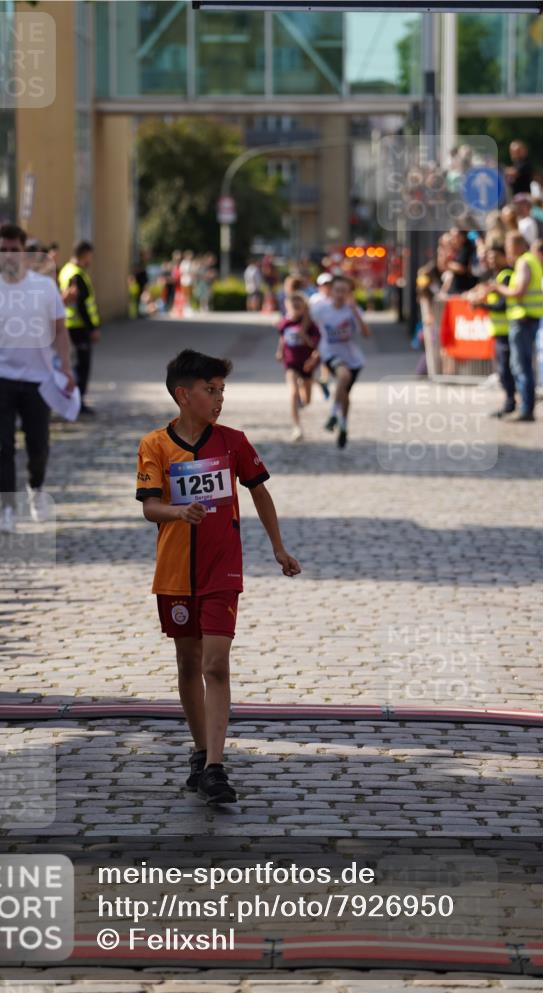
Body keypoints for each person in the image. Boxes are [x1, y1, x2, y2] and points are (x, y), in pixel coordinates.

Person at [135, 349, 300, 805]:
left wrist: (278, 547)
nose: (219, 398)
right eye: (211, 390)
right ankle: (201, 751)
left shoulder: (233, 442)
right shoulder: (154, 445)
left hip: (222, 569)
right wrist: (176, 511)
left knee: (215, 663)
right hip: (173, 572)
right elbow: (150, 507)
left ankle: (216, 766)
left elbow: (260, 492)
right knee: (188, 665)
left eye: (222, 390)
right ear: (183, 395)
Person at [0, 223, 75, 532]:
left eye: (15, 250)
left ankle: (35, 489)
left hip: (39, 380)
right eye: (4, 250)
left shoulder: (44, 287)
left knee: (38, 447)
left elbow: (60, 331)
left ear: (24, 252)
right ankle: (7, 511)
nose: (10, 256)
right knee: (4, 447)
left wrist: (65, 368)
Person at [489, 232, 543, 423]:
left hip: (523, 320)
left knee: (521, 367)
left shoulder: (524, 262)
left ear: (518, 245)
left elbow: (519, 292)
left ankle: (526, 409)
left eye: (509, 247)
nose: (507, 251)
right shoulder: (530, 260)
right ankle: (524, 408)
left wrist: (498, 289)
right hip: (527, 319)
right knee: (521, 365)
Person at [311, 275, 371, 449]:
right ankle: (332, 416)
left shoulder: (353, 310)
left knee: (344, 393)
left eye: (344, 291)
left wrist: (354, 313)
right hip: (329, 353)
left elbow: (367, 334)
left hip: (353, 358)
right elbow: (307, 321)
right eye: (337, 290)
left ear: (349, 293)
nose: (339, 294)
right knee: (343, 377)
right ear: (331, 291)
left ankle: (343, 425)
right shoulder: (321, 309)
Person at [468, 245, 515, 418]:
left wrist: (481, 305)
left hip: (507, 330)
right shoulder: (496, 276)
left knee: (507, 370)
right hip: (500, 330)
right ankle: (509, 403)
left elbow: (502, 305)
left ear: (504, 256)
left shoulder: (506, 276)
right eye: (489, 257)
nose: (491, 260)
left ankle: (511, 404)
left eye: (495, 257)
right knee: (504, 371)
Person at [58, 240, 101, 415]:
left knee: (75, 365)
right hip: (79, 327)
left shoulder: (66, 270)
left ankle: (74, 401)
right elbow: (82, 305)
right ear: (84, 255)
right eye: (90, 256)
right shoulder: (77, 275)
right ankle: (77, 402)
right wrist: (93, 328)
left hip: (70, 325)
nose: (91, 260)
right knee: (81, 367)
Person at [276, 292, 320, 442]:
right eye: (291, 307)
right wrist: (280, 351)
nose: (294, 310)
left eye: (297, 307)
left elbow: (315, 346)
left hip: (307, 365)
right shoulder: (284, 323)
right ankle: (297, 427)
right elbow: (282, 337)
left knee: (307, 400)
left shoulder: (311, 325)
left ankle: (302, 401)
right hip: (291, 364)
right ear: (286, 307)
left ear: (304, 308)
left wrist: (304, 335)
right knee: (293, 393)